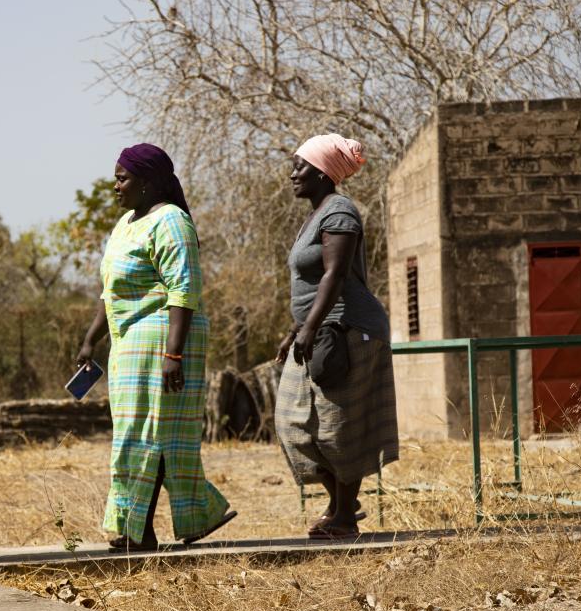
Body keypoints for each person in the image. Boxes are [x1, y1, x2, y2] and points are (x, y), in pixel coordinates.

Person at [76, 143, 236, 552]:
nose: (115, 186)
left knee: (152, 436)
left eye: (122, 178)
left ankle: (137, 530)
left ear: (147, 183)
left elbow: (183, 289)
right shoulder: (128, 223)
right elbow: (110, 291)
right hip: (130, 343)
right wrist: (91, 338)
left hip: (163, 339)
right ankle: (190, 516)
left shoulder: (171, 221)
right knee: (141, 435)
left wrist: (174, 354)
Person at [274, 133, 399, 539]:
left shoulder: (340, 211)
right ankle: (343, 503)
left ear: (324, 173)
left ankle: (343, 517)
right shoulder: (318, 213)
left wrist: (309, 327)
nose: (293, 173)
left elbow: (336, 274)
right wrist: (296, 328)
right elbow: (311, 285)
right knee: (292, 423)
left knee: (335, 425)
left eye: (301, 166)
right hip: (320, 328)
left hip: (349, 329)